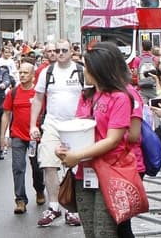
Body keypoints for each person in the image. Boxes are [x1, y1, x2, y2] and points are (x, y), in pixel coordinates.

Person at [56, 42, 137, 238]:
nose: (83, 71)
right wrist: (64, 149)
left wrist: (77, 155)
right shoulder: (86, 96)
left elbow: (113, 140)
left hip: (110, 172)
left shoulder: (120, 98)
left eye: (86, 66)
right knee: (90, 232)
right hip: (84, 174)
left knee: (104, 232)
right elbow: (77, 130)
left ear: (98, 69)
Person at [29, 38, 83, 227]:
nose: (60, 53)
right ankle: (54, 206)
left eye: (64, 50)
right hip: (52, 124)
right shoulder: (47, 72)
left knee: (74, 167)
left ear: (71, 51)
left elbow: (91, 97)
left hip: (76, 126)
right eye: (57, 50)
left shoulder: (81, 71)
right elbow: (37, 99)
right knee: (48, 163)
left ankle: (72, 209)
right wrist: (33, 125)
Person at [1, 61, 45, 214]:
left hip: (35, 137)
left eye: (26, 73)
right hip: (17, 135)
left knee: (37, 167)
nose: (22, 75)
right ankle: (20, 200)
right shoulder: (13, 93)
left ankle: (39, 189)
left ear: (33, 75)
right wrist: (2, 137)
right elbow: (6, 114)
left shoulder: (39, 93)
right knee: (18, 168)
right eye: (20, 72)